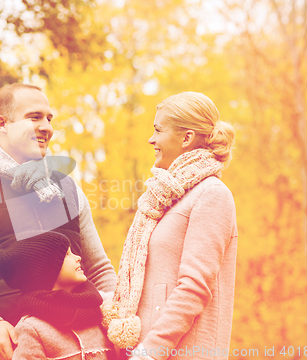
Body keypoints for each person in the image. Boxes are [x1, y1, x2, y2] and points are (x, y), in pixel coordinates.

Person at [0, 83, 117, 360]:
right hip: (13, 350)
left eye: (49, 119)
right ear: (2, 124)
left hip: (89, 347)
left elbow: (99, 268)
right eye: (35, 117)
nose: (47, 127)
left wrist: (116, 318)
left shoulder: (69, 189)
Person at [101, 92, 238, 360]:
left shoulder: (212, 194)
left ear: (186, 138)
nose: (151, 139)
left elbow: (194, 287)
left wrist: (150, 352)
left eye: (158, 130)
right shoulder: (165, 198)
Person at [0, 230, 116, 360]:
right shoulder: (31, 329)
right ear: (44, 272)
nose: (78, 257)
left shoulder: (101, 309)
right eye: (67, 255)